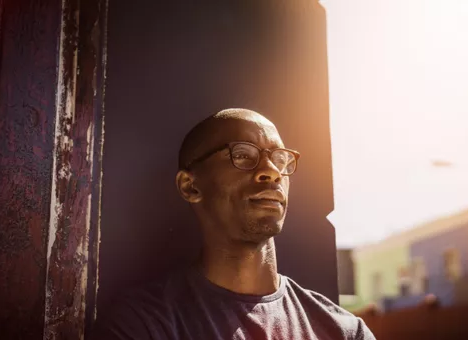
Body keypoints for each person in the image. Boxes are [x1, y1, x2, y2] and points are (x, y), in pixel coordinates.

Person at [92, 108, 375, 339]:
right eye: (242, 155)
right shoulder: (145, 325)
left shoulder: (344, 331)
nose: (271, 172)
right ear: (190, 186)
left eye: (280, 159)